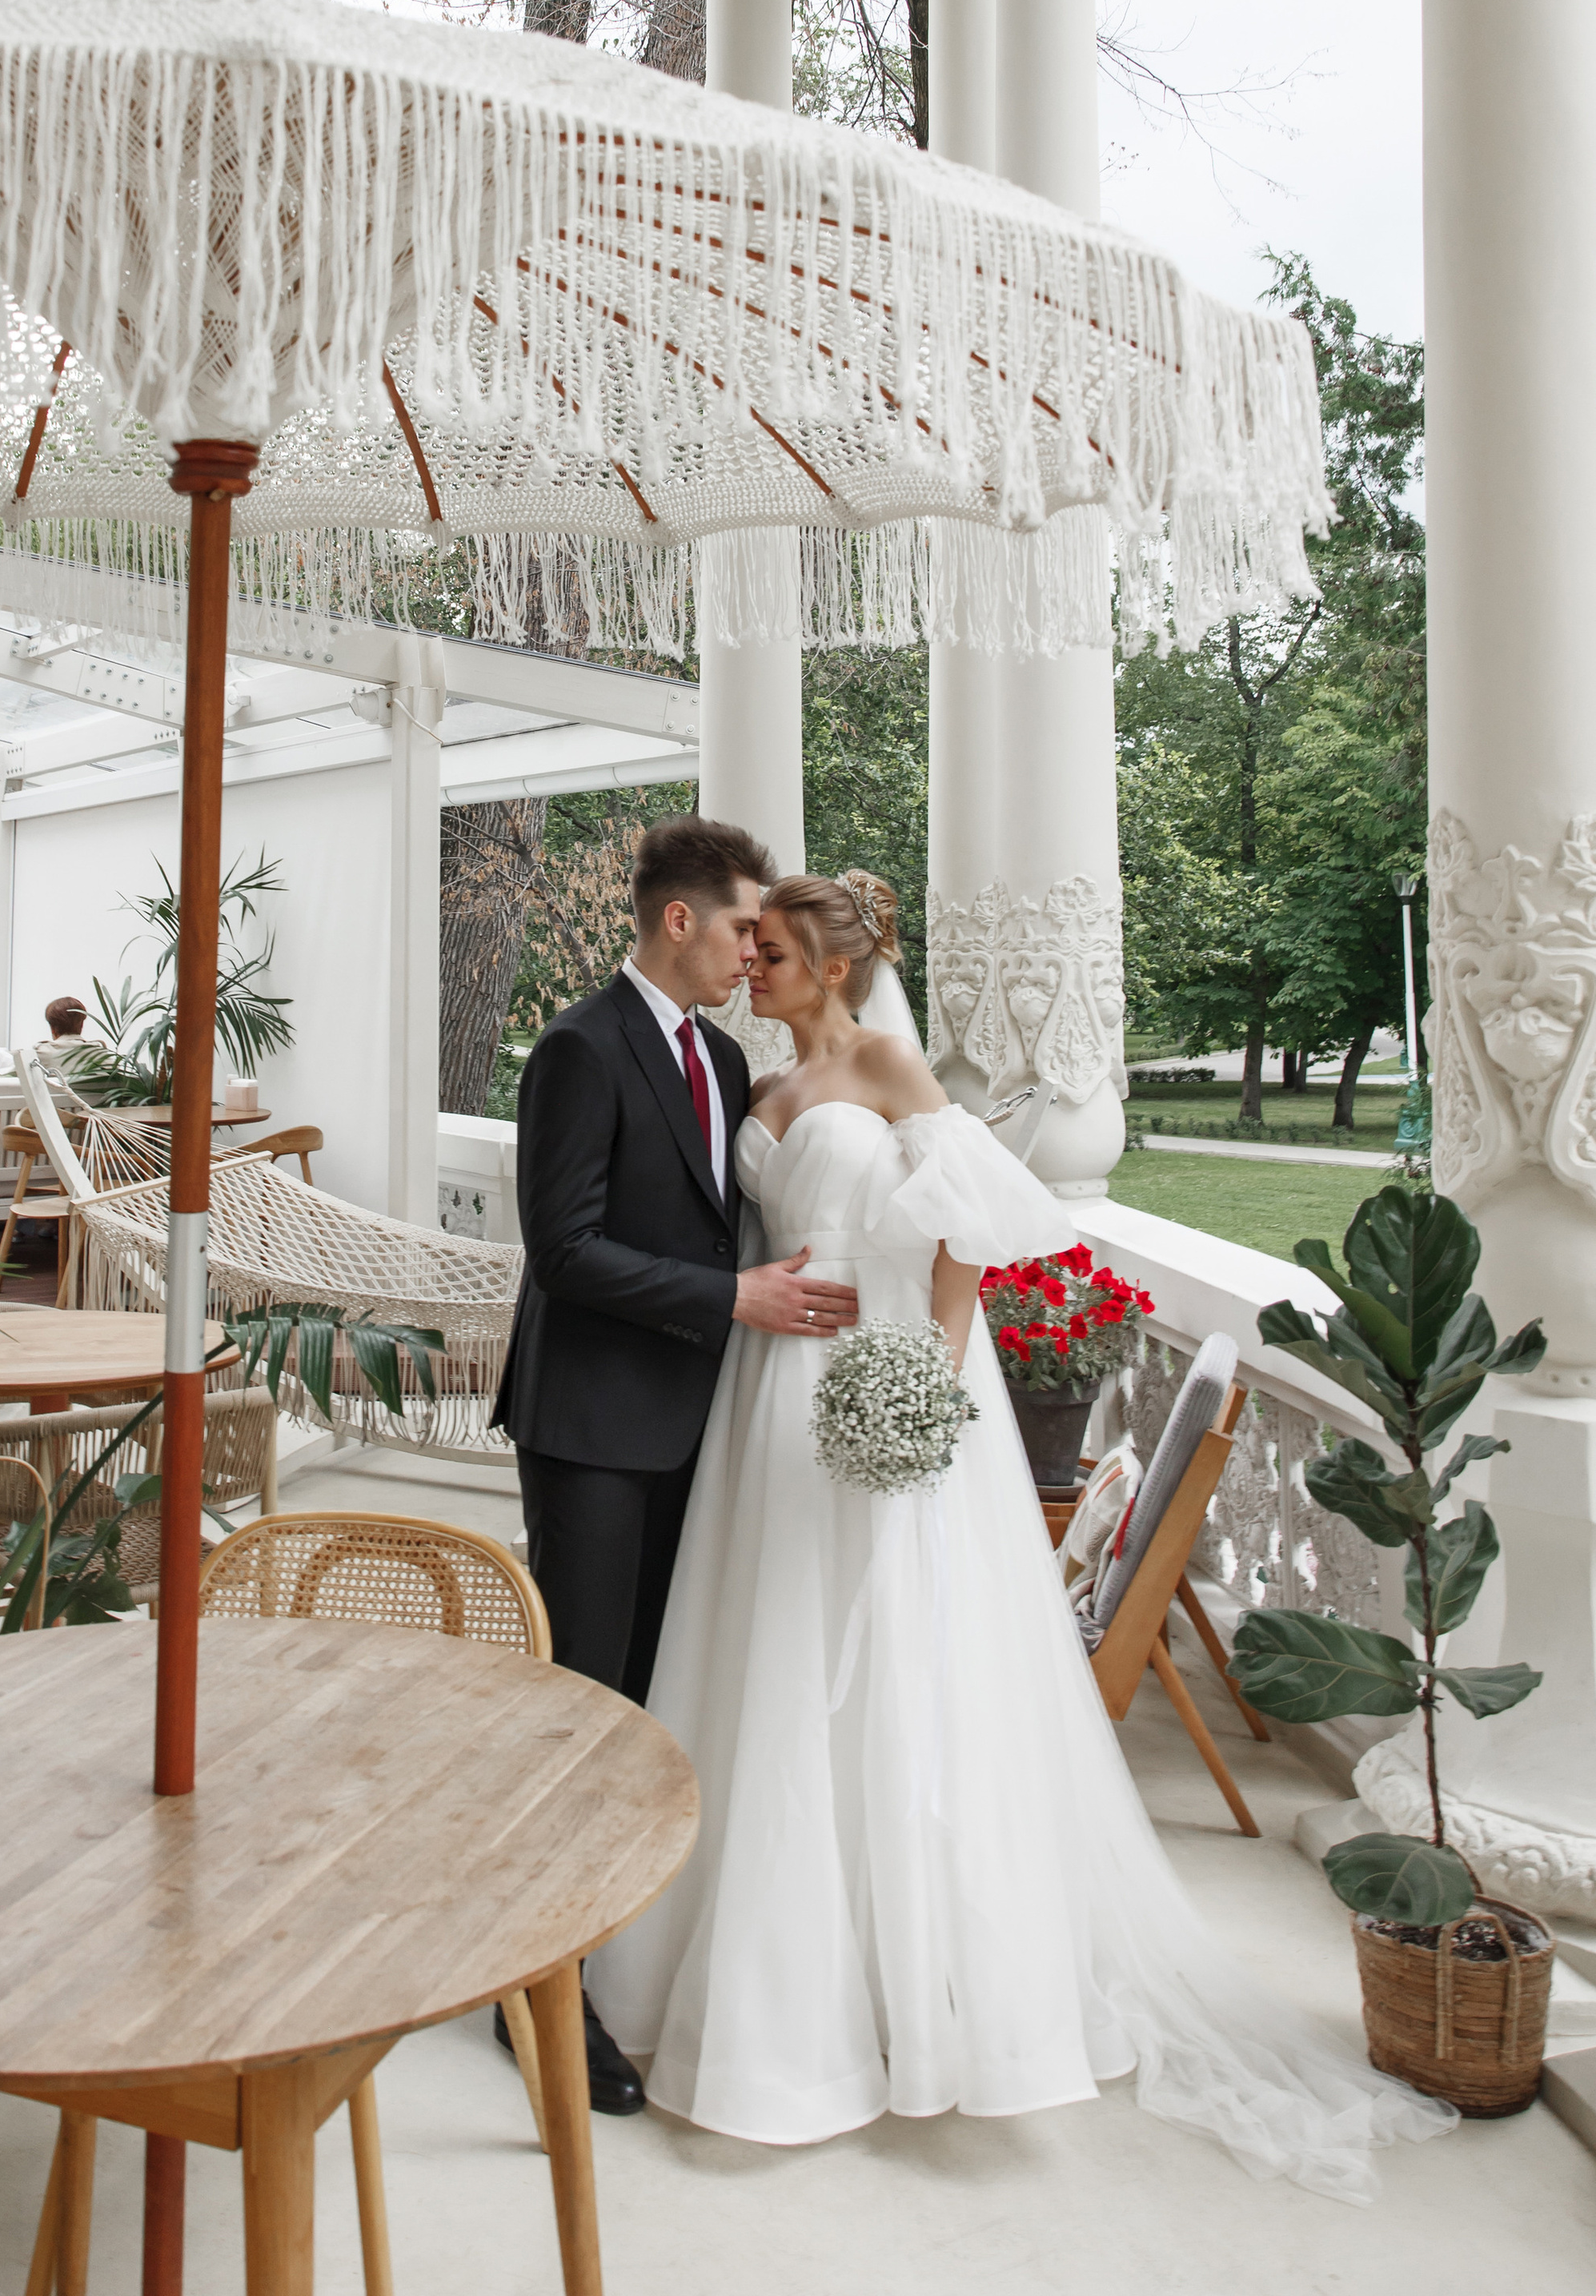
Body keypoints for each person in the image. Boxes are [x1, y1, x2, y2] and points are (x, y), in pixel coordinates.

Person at [585, 871, 1455, 2199]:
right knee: (767, 1642)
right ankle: (761, 1976)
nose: (751, 965)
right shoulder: (756, 1084)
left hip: (880, 1369)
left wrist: (927, 1377)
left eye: (774, 952)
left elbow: (970, 1234)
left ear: (833, 965)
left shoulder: (890, 1066)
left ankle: (921, 1993)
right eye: (745, 948)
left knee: (891, 1654)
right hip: (765, 1391)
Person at [492, 814, 862, 2116]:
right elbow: (563, 1249)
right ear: (679, 920)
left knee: (655, 1703)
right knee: (584, 1706)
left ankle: (614, 1946)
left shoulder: (723, 1054)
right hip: (594, 1425)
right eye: (745, 928)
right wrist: (731, 1299)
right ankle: (538, 1986)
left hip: (703, 1426)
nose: (756, 951)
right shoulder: (577, 1048)